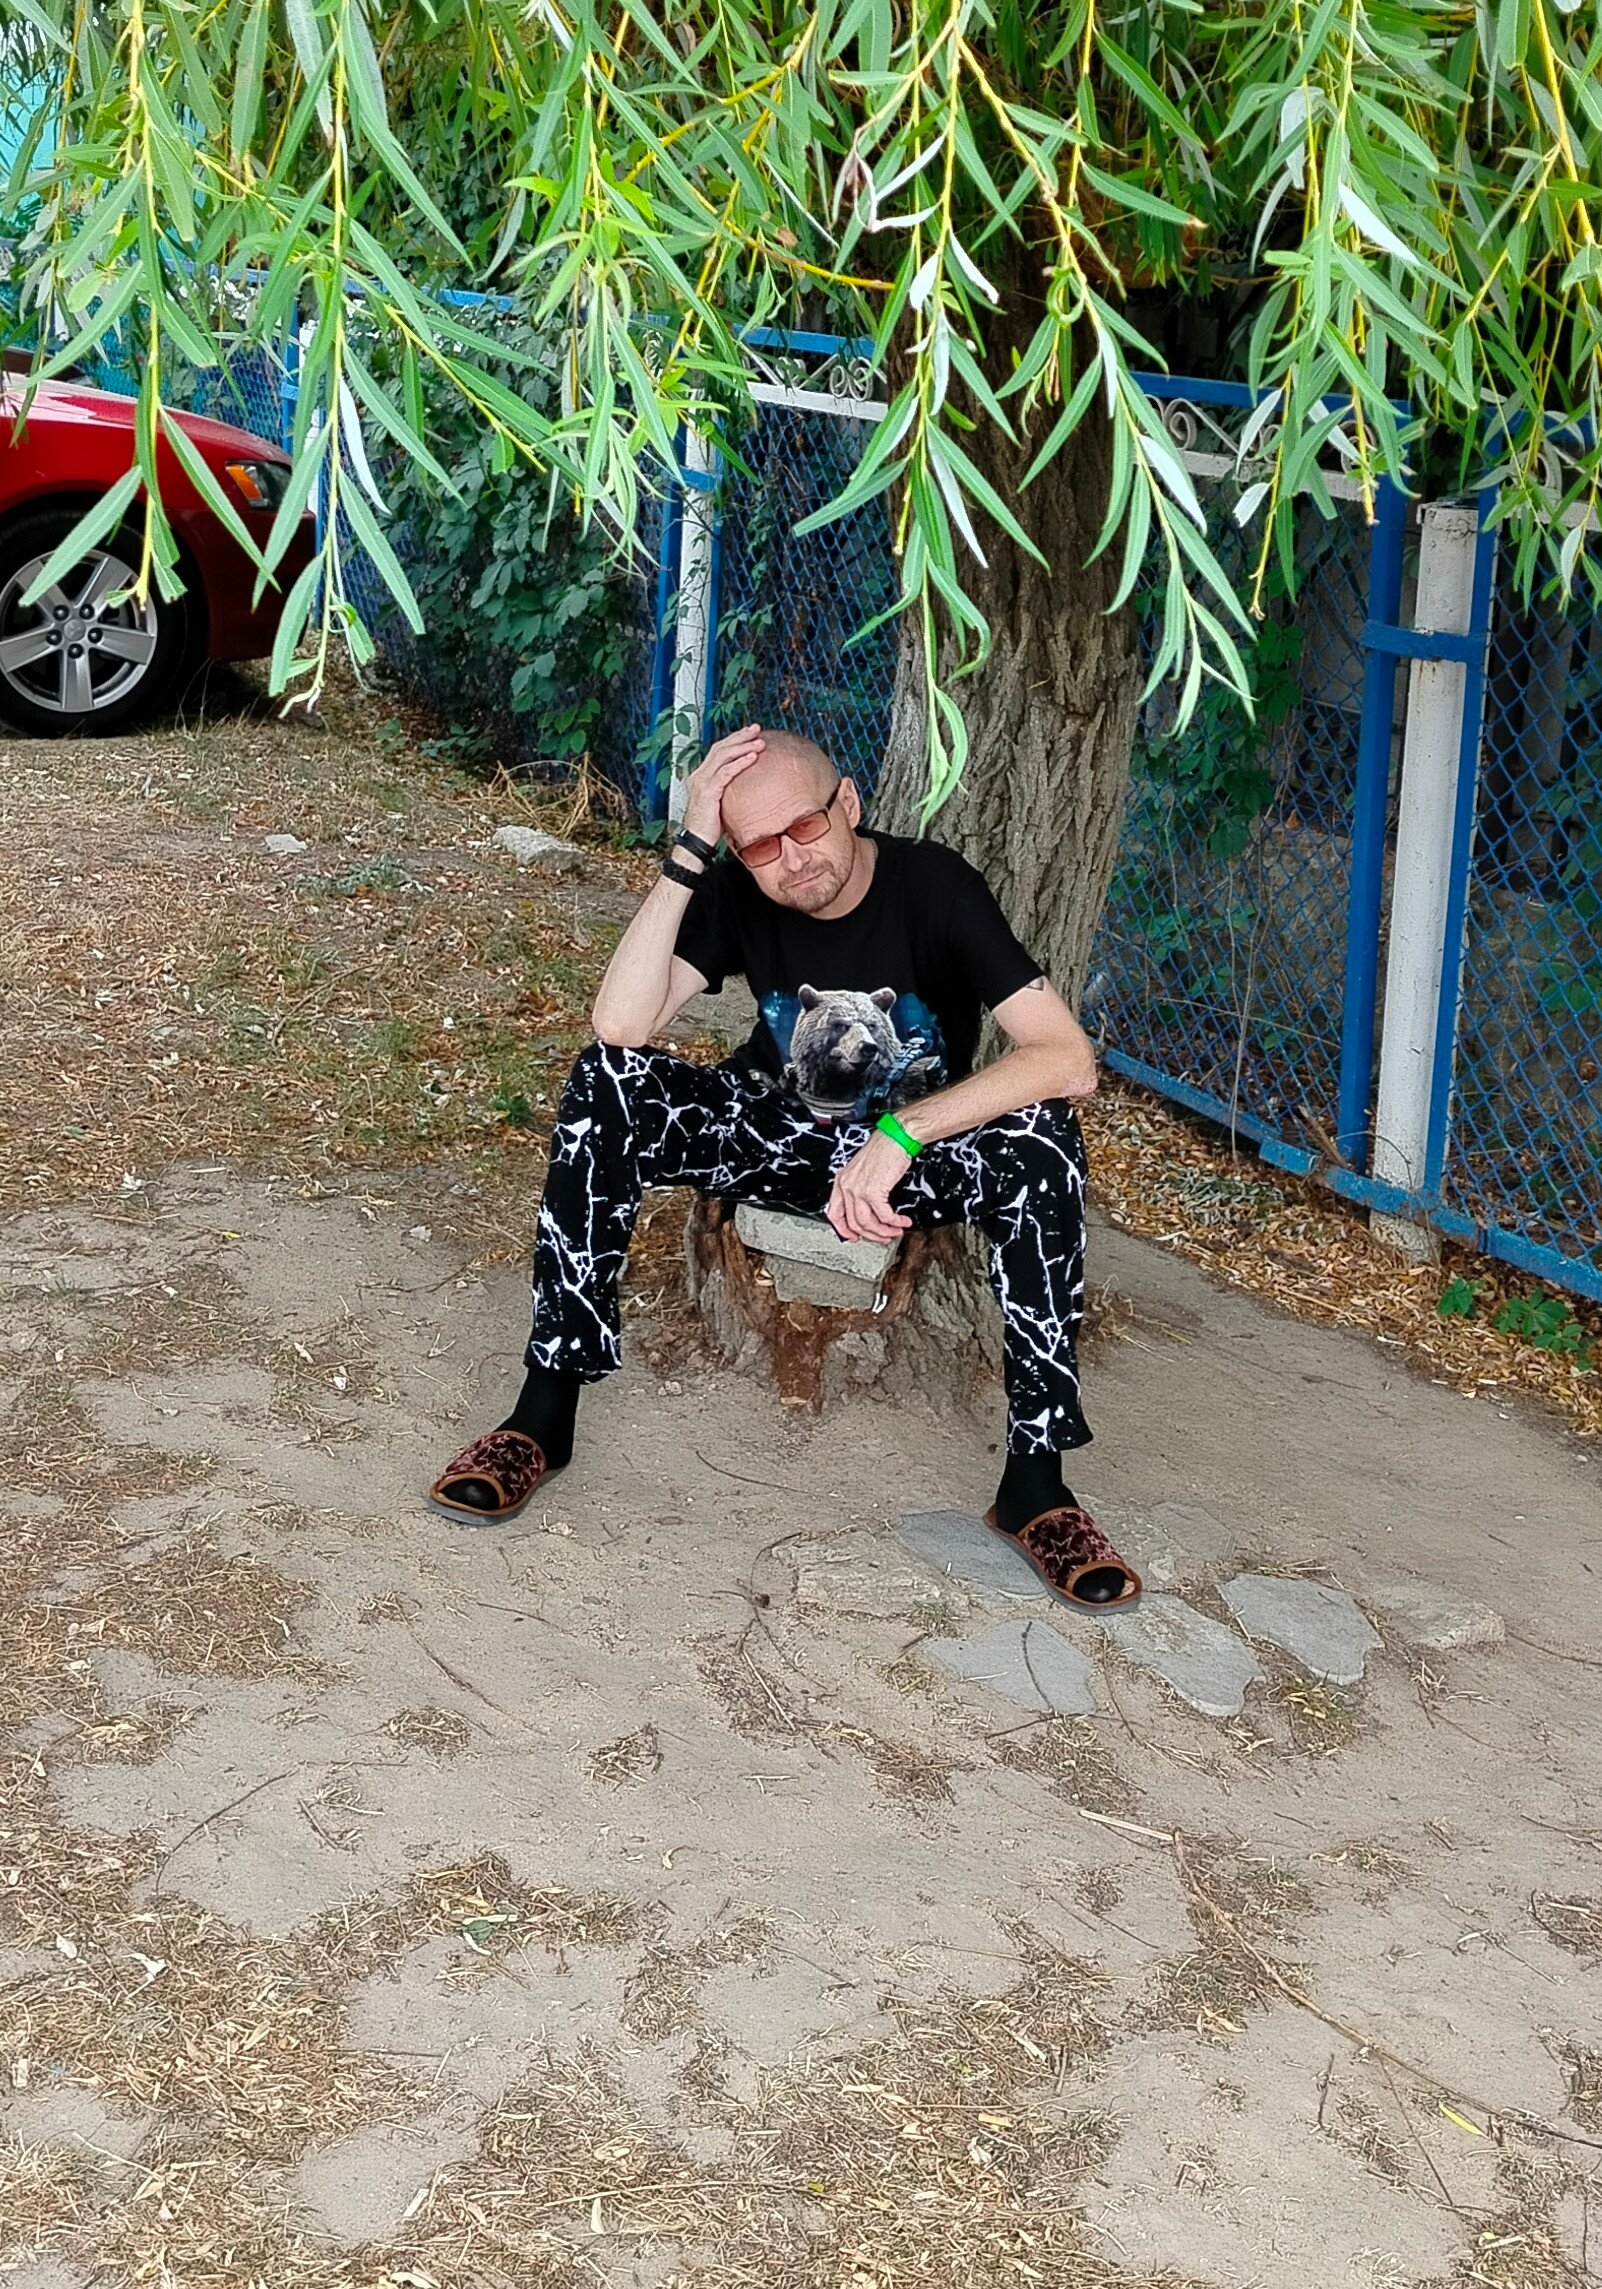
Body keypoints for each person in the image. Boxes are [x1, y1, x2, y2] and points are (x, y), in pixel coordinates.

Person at [427, 724, 1141, 1609]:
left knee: (1043, 1138)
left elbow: (1066, 1059)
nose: (791, 859)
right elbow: (619, 1024)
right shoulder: (735, 889)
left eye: (805, 826)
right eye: (759, 844)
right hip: (772, 1132)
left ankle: (1036, 1480)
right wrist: (692, 847)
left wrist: (904, 1134)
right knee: (604, 1080)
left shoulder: (935, 886)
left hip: (908, 1156)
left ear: (849, 803)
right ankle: (544, 1412)